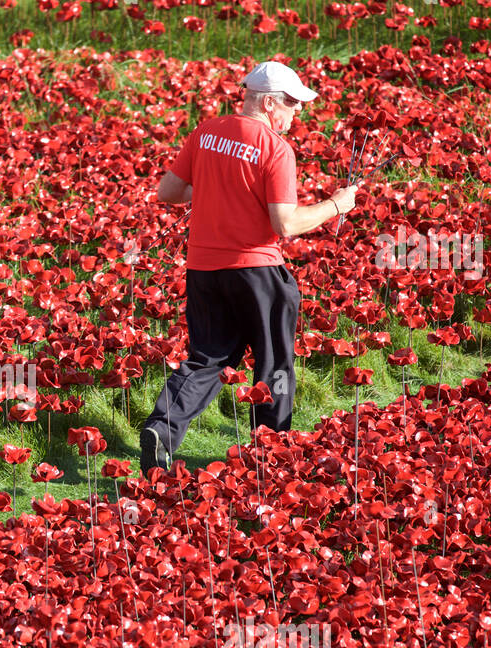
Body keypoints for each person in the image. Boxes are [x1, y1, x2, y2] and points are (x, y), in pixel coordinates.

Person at [139, 60, 359, 474]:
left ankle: (161, 429)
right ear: (271, 103)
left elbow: (168, 192)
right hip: (257, 270)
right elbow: (286, 224)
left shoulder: (205, 132)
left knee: (208, 358)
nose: (296, 115)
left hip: (203, 267)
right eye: (293, 106)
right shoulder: (275, 148)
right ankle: (270, 455)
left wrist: (216, 184)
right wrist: (336, 205)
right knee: (274, 362)